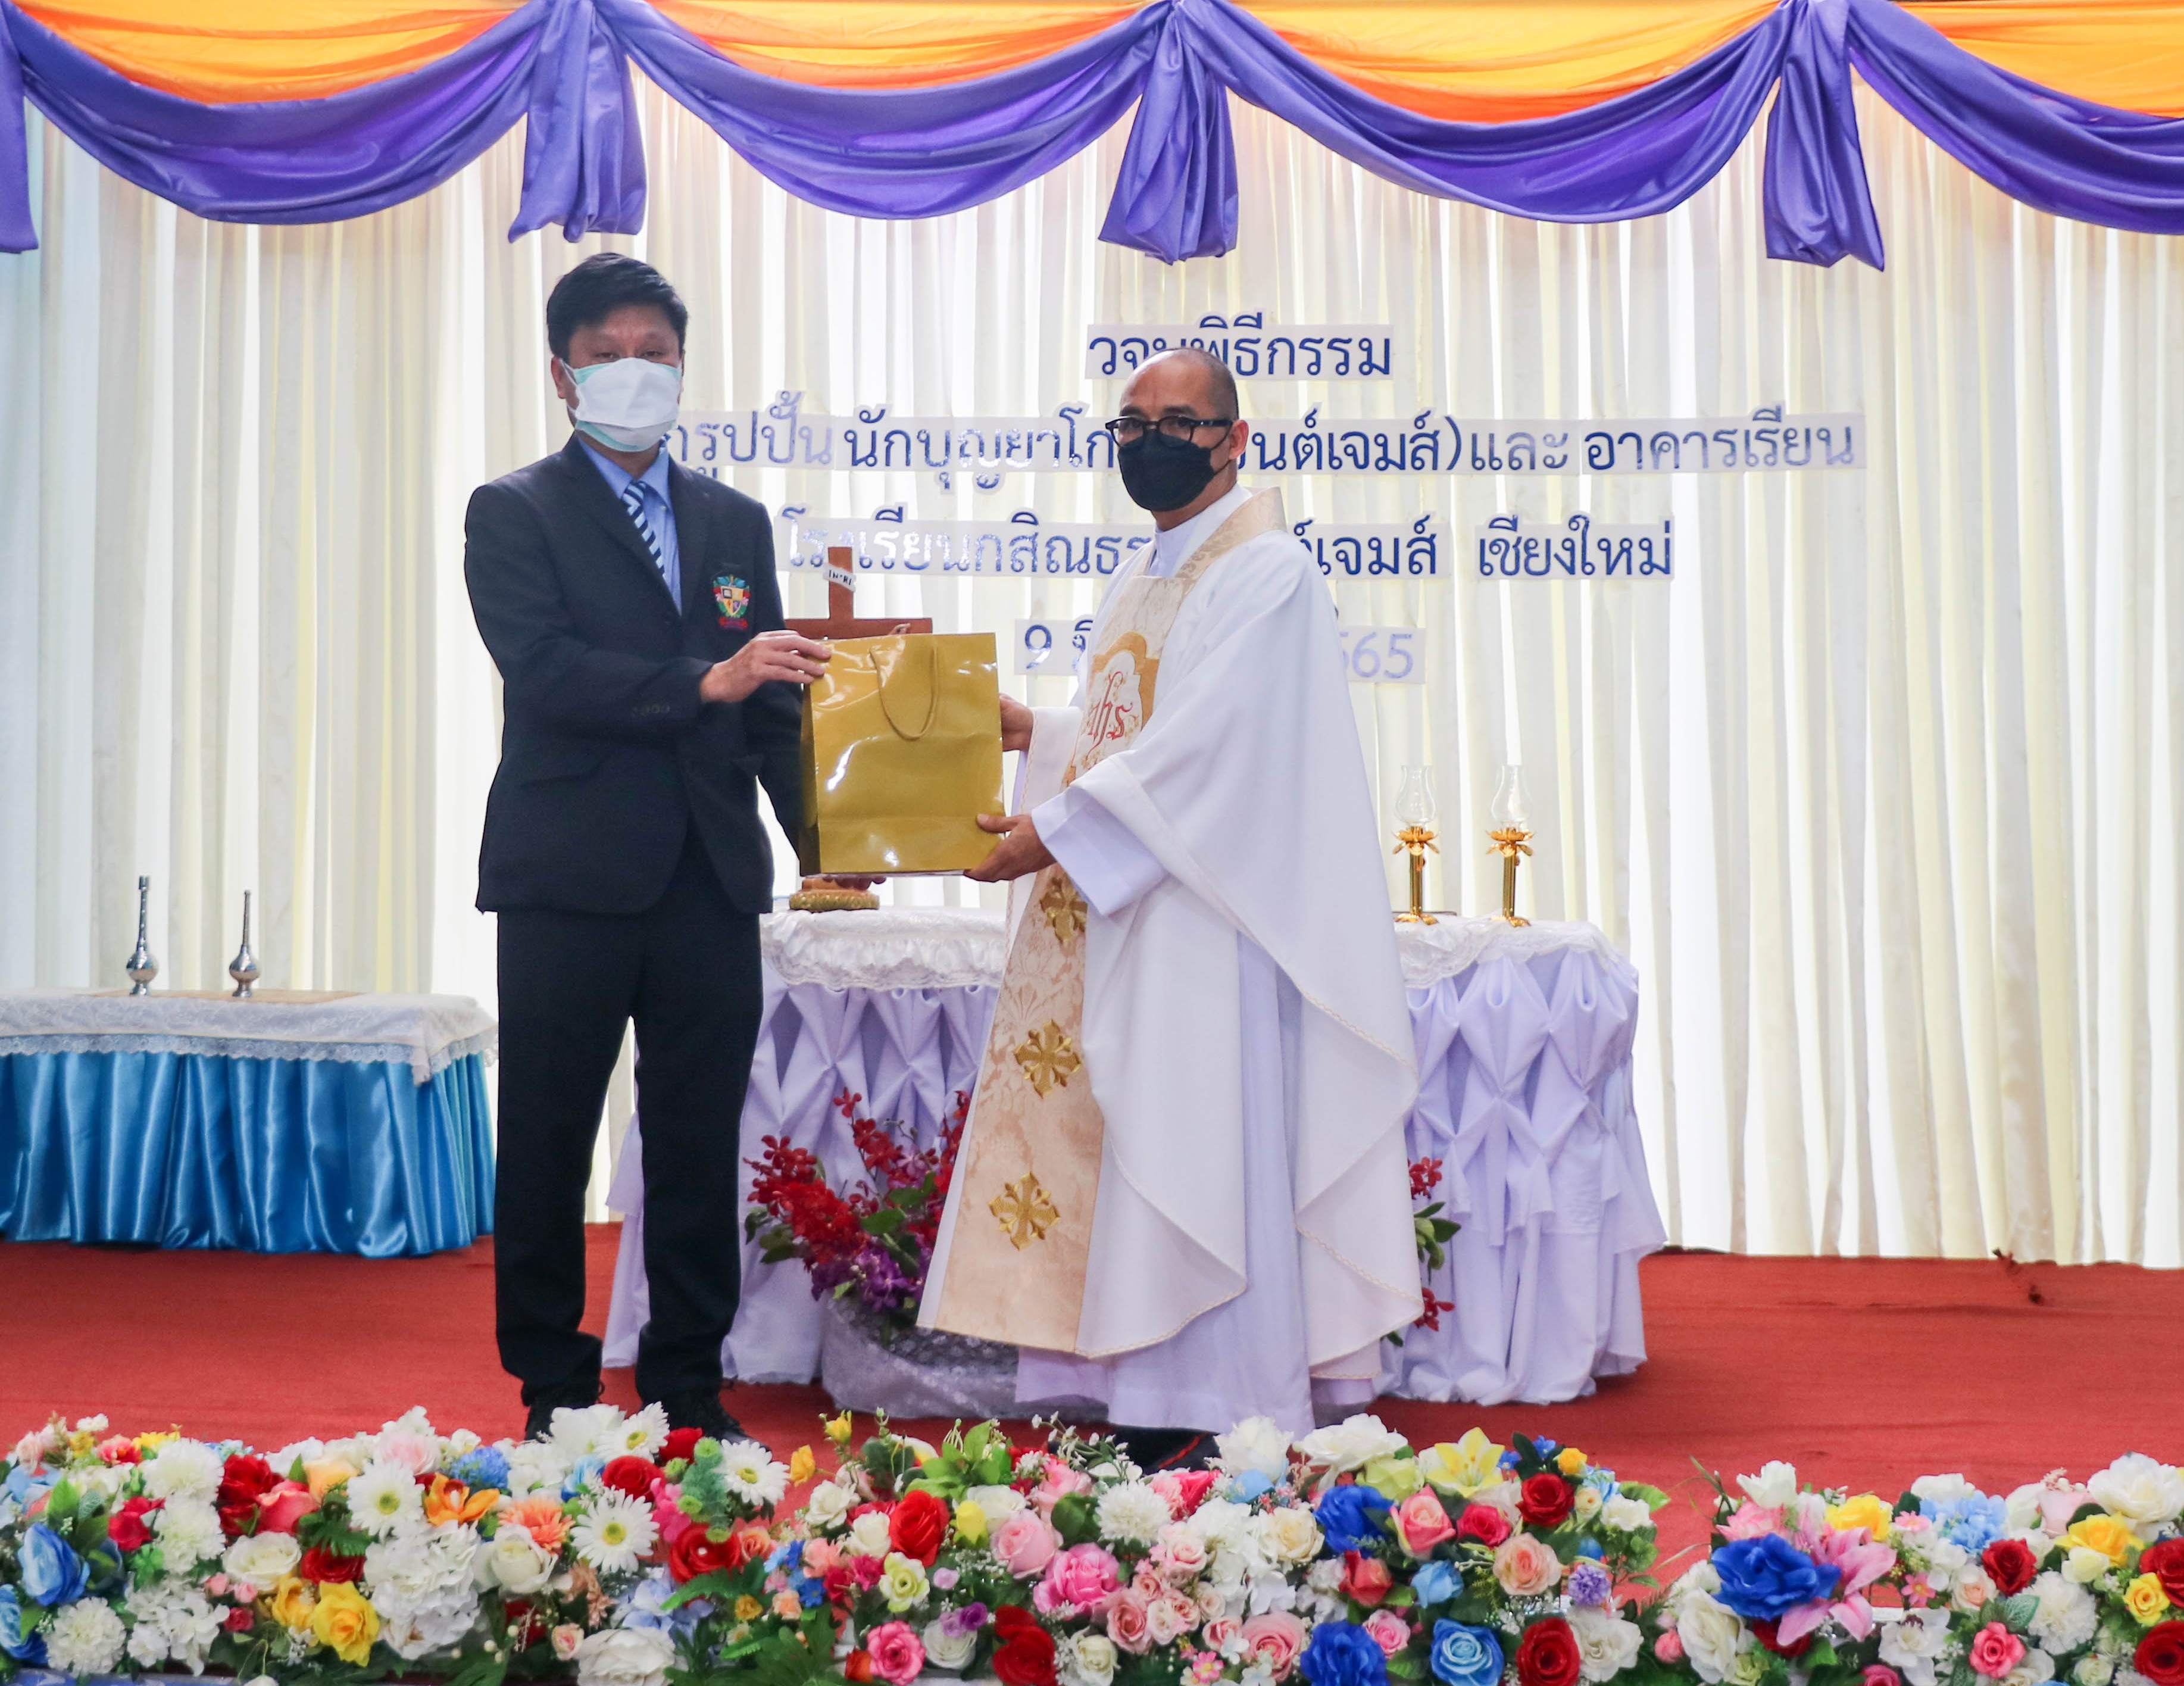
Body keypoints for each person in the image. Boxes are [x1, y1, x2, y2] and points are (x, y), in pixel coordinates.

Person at [918, 347, 1421, 1463]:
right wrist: (1042, 735)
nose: (1152, 442)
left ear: (1233, 440)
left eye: (1180, 422)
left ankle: (1222, 1398)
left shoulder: (1266, 570)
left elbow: (1212, 751)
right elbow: (1135, 737)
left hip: (1209, 921)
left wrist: (1053, 830)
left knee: (1199, 1144)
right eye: (1132, 422)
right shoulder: (1144, 571)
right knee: (1144, 1141)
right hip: (1136, 909)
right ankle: (1147, 1394)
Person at [464, 252, 837, 1442]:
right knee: (547, 1138)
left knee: (694, 1142)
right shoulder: (514, 510)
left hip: (707, 881)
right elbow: (544, 671)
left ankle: (686, 1381)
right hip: (566, 878)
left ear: (682, 369)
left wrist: (827, 842)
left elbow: (770, 705)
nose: (635, 373)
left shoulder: (732, 520)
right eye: (608, 355)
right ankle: (554, 1390)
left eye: (655, 355)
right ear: (563, 376)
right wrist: (701, 680)